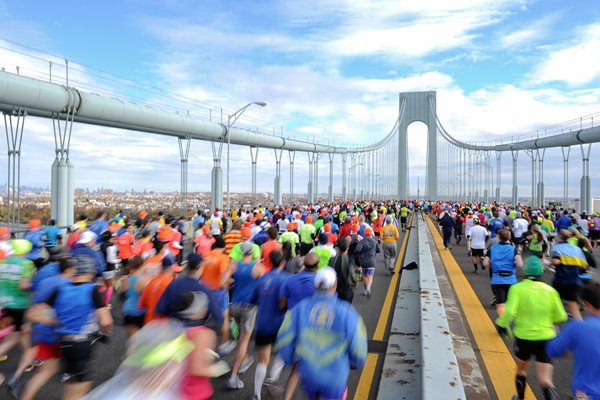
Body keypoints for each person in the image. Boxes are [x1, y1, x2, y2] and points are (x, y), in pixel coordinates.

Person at [27, 255, 113, 400]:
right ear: (90, 272)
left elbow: (33, 314)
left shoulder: (60, 288)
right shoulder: (92, 290)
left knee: (73, 380)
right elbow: (106, 321)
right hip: (82, 343)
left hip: (64, 341)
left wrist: (56, 322)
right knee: (81, 384)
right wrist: (106, 332)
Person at [275, 267, 367, 400]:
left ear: (315, 285)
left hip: (308, 375)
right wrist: (355, 362)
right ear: (335, 285)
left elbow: (284, 338)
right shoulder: (347, 312)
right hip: (335, 377)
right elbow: (359, 347)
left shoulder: (300, 308)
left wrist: (289, 359)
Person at [495, 256, 567, 400]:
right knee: (545, 380)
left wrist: (501, 324)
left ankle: (520, 398)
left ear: (525, 271)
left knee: (521, 371)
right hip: (547, 338)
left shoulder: (517, 288)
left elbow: (509, 313)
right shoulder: (550, 291)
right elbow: (561, 317)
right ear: (541, 272)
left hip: (524, 338)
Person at [546, 282, 600, 399]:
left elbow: (553, 350)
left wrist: (554, 327)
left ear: (588, 305)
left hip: (587, 393)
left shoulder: (577, 327)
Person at [247, 251, 289, 397]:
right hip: (281, 323)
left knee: (263, 359)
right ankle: (273, 376)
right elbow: (287, 302)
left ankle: (256, 393)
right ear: (283, 262)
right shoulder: (286, 279)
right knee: (286, 350)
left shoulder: (261, 279)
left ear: (269, 262)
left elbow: (253, 300)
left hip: (263, 323)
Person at [227, 242, 264, 391]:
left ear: (242, 252)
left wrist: (234, 283)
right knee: (243, 341)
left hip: (234, 305)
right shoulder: (257, 268)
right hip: (249, 307)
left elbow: (224, 281)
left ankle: (246, 359)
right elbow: (263, 287)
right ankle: (233, 376)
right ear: (252, 253)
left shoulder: (233, 266)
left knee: (242, 338)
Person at [483, 229, 523, 317]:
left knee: (501, 303)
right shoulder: (513, 249)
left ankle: (502, 321)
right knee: (509, 302)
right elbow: (520, 264)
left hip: (497, 279)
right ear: (508, 237)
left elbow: (485, 263)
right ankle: (508, 320)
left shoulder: (493, 249)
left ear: (499, 237)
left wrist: (493, 264)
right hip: (511, 279)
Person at [551, 230, 588, 320]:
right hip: (574, 281)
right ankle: (580, 328)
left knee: (554, 307)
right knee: (573, 305)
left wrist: (551, 263)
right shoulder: (577, 249)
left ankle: (555, 330)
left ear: (559, 237)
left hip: (560, 280)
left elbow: (555, 262)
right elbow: (584, 266)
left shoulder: (556, 248)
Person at [118, 256, 147, 337]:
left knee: (131, 338)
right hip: (139, 311)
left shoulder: (125, 278)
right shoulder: (143, 281)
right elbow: (146, 298)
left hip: (127, 310)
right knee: (141, 338)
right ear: (142, 266)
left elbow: (122, 292)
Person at [354, 227, 380, 298]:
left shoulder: (362, 241)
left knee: (365, 276)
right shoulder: (374, 241)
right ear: (371, 233)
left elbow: (357, 249)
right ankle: (368, 287)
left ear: (365, 234)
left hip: (363, 262)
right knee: (370, 276)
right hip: (371, 262)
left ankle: (365, 290)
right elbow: (379, 250)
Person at [330, 237, 356, 303]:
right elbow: (351, 273)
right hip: (345, 288)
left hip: (334, 287)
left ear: (338, 248)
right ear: (347, 248)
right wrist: (354, 282)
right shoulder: (349, 259)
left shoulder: (332, 259)